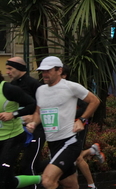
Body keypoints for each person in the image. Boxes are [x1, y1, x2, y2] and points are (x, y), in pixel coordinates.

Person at [26, 56, 100, 189]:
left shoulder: (70, 87)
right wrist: (33, 123)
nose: (44, 74)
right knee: (70, 184)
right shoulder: (40, 90)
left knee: (48, 180)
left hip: (69, 142)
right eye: (43, 71)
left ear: (59, 71)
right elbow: (38, 112)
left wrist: (82, 120)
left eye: (48, 71)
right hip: (53, 144)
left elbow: (95, 101)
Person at [61, 65, 105, 189]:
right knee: (72, 157)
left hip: (78, 126)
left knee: (77, 157)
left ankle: (91, 185)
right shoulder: (54, 91)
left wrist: (75, 117)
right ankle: (92, 150)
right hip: (65, 128)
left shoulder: (72, 88)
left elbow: (87, 106)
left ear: (64, 75)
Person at [5, 57, 44, 189]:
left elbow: (43, 105)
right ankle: (61, 167)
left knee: (28, 166)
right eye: (7, 69)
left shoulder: (34, 84)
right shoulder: (11, 86)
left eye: (10, 69)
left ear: (20, 69)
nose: (8, 72)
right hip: (18, 131)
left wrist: (33, 118)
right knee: (12, 165)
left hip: (36, 129)